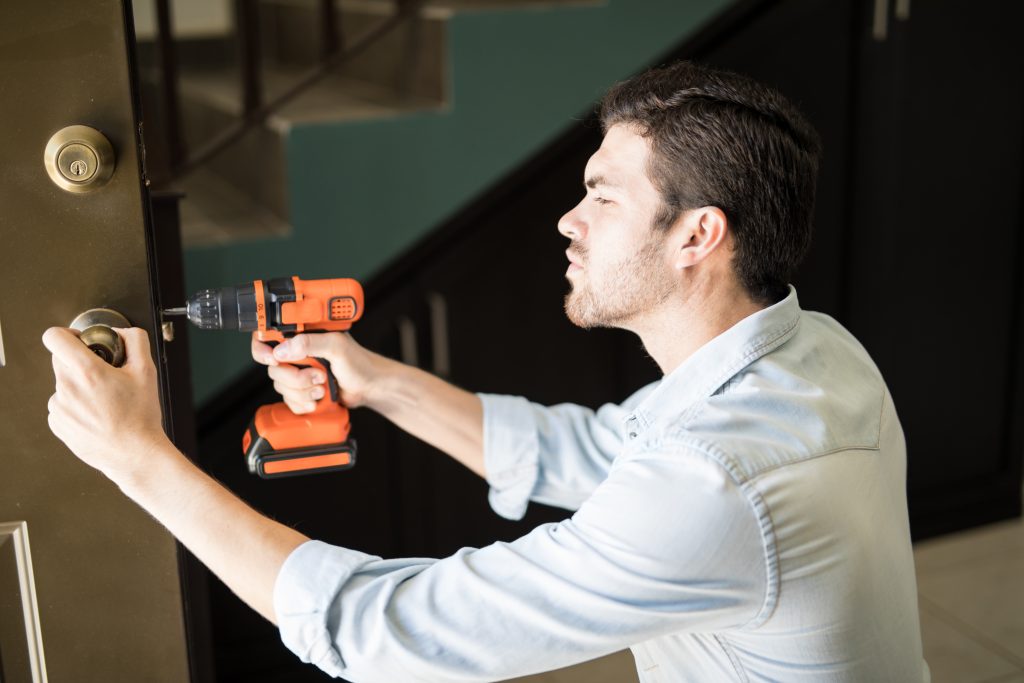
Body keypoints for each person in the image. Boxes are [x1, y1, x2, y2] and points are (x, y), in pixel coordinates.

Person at [43, 61, 929, 682]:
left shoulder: (717, 484)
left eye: (603, 197)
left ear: (699, 235)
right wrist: (374, 379)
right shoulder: (813, 352)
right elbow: (586, 449)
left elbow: (383, 632)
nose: (568, 221)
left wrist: (137, 455)